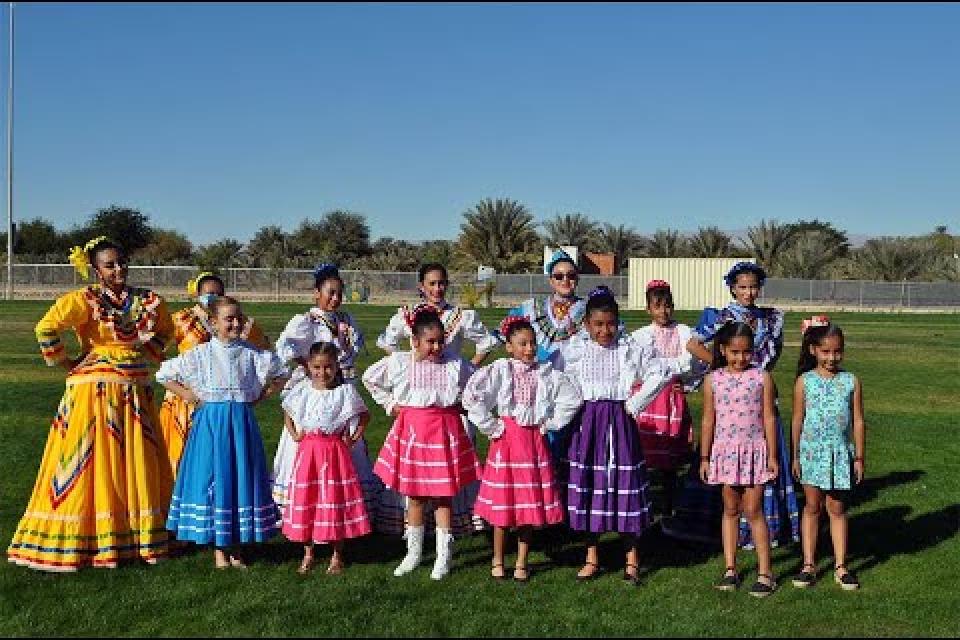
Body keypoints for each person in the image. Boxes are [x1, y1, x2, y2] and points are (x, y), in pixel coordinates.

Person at [8, 236, 175, 571]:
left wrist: (145, 353)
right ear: (95, 269)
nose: (118, 269)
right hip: (95, 393)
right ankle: (90, 533)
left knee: (136, 458)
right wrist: (69, 361)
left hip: (134, 390)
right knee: (91, 460)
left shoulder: (147, 300)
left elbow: (167, 329)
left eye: (121, 262)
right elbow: (46, 328)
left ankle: (135, 534)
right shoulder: (85, 299)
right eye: (109, 264)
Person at [662, 261, 800, 550]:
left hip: (758, 392)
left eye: (753, 287)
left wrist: (758, 374)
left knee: (764, 449)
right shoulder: (722, 315)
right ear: (733, 288)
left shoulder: (771, 318)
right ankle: (720, 523)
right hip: (728, 400)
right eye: (742, 287)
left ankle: (763, 525)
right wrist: (718, 365)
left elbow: (772, 357)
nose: (748, 293)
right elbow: (692, 343)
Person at [564, 287, 691, 583]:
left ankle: (632, 558)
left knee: (624, 483)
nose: (605, 330)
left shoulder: (628, 349)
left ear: (617, 323)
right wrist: (570, 407)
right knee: (592, 485)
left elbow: (659, 373)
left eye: (610, 323)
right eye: (598, 324)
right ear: (587, 325)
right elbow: (560, 381)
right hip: (589, 423)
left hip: (620, 423)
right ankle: (591, 556)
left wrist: (634, 403)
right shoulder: (578, 351)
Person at [159, 296, 287, 569]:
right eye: (228, 318)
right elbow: (164, 374)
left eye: (238, 317)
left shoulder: (251, 354)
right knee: (215, 480)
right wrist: (191, 396)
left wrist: (259, 396)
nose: (236, 323)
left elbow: (282, 372)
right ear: (213, 323)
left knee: (239, 480)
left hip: (241, 425)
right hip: (211, 425)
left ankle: (237, 547)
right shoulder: (202, 354)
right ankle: (219, 548)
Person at [376, 262, 498, 536]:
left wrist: (469, 369)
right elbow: (387, 343)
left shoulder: (460, 316)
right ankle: (415, 529)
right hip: (419, 406)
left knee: (451, 466)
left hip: (448, 401)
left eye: (441, 283)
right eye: (431, 283)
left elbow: (487, 343)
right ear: (421, 286)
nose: (437, 288)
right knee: (416, 470)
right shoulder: (407, 315)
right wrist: (406, 373)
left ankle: (454, 526)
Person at [462, 316, 583, 582]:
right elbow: (472, 395)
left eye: (532, 343)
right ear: (509, 346)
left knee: (528, 504)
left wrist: (550, 422)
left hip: (532, 444)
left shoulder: (546, 372)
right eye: (522, 344)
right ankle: (497, 558)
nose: (529, 349)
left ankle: (521, 560)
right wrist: (492, 426)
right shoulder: (501, 369)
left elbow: (572, 399)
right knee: (503, 505)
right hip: (506, 442)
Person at [364, 307, 479, 580]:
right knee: (414, 496)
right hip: (413, 432)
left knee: (442, 497)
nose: (437, 347)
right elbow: (369, 378)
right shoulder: (401, 362)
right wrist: (391, 404)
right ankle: (413, 554)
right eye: (430, 342)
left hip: (443, 432)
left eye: (440, 341)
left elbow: (478, 383)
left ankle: (443, 556)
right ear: (415, 340)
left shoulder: (453, 364)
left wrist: (465, 404)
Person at [271, 263, 379, 528]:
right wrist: (310, 367)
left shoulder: (346, 320)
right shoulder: (306, 321)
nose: (335, 298)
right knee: (309, 448)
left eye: (339, 293)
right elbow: (284, 347)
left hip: (340, 393)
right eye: (330, 293)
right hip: (315, 392)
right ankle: (306, 509)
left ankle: (342, 509)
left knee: (346, 446)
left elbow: (352, 353)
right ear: (316, 293)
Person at [158, 271, 269, 478]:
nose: (213, 298)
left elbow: (264, 348)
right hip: (186, 396)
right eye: (208, 294)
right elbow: (156, 348)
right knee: (182, 451)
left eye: (218, 294)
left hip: (224, 399)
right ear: (197, 295)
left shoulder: (238, 322)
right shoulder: (182, 319)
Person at [700, 322, 779, 597]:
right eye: (734, 352)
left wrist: (772, 454)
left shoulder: (762, 378)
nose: (740, 358)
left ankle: (765, 572)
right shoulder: (713, 380)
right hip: (725, 453)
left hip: (754, 452)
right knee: (730, 510)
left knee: (754, 510)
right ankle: (730, 569)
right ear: (723, 350)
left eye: (746, 352)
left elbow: (769, 417)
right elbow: (708, 418)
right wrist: (705, 456)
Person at [280, 342, 373, 576]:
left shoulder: (345, 392)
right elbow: (287, 412)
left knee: (333, 499)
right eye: (317, 367)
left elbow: (364, 415)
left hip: (335, 453)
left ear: (336, 366)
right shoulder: (302, 390)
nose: (323, 373)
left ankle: (337, 554)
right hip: (308, 452)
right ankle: (308, 553)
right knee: (307, 499)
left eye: (328, 367)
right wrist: (294, 434)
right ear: (309, 367)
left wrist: (352, 439)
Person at [790, 318, 865, 591]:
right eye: (826, 351)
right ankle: (808, 564)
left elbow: (857, 420)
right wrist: (795, 455)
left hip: (840, 454)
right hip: (811, 453)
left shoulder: (850, 381)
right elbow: (797, 419)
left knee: (836, 508)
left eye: (837, 351)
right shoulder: (804, 382)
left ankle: (841, 566)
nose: (832, 357)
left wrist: (859, 457)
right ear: (813, 350)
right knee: (812, 507)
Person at [630, 279, 700, 515]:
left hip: (672, 400)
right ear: (648, 309)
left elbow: (694, 363)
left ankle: (670, 504)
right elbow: (635, 367)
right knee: (646, 454)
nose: (663, 311)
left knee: (670, 458)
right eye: (657, 306)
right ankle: (644, 501)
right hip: (651, 400)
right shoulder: (641, 336)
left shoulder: (682, 332)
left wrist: (687, 384)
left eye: (667, 305)